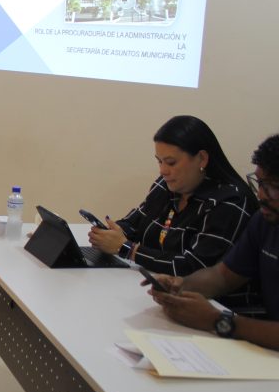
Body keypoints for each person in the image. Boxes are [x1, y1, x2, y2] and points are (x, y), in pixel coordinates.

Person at [89, 116, 259, 309]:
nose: (163, 170)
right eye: (159, 161)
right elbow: (135, 224)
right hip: (162, 296)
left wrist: (127, 249)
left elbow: (195, 267)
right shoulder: (166, 186)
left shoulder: (229, 201)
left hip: (215, 307)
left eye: (171, 163)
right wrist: (110, 233)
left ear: (202, 159)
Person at [148, 134, 279, 350]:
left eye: (272, 187)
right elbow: (223, 276)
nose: (261, 195)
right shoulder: (265, 221)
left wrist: (217, 320)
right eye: (259, 183)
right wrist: (180, 285)